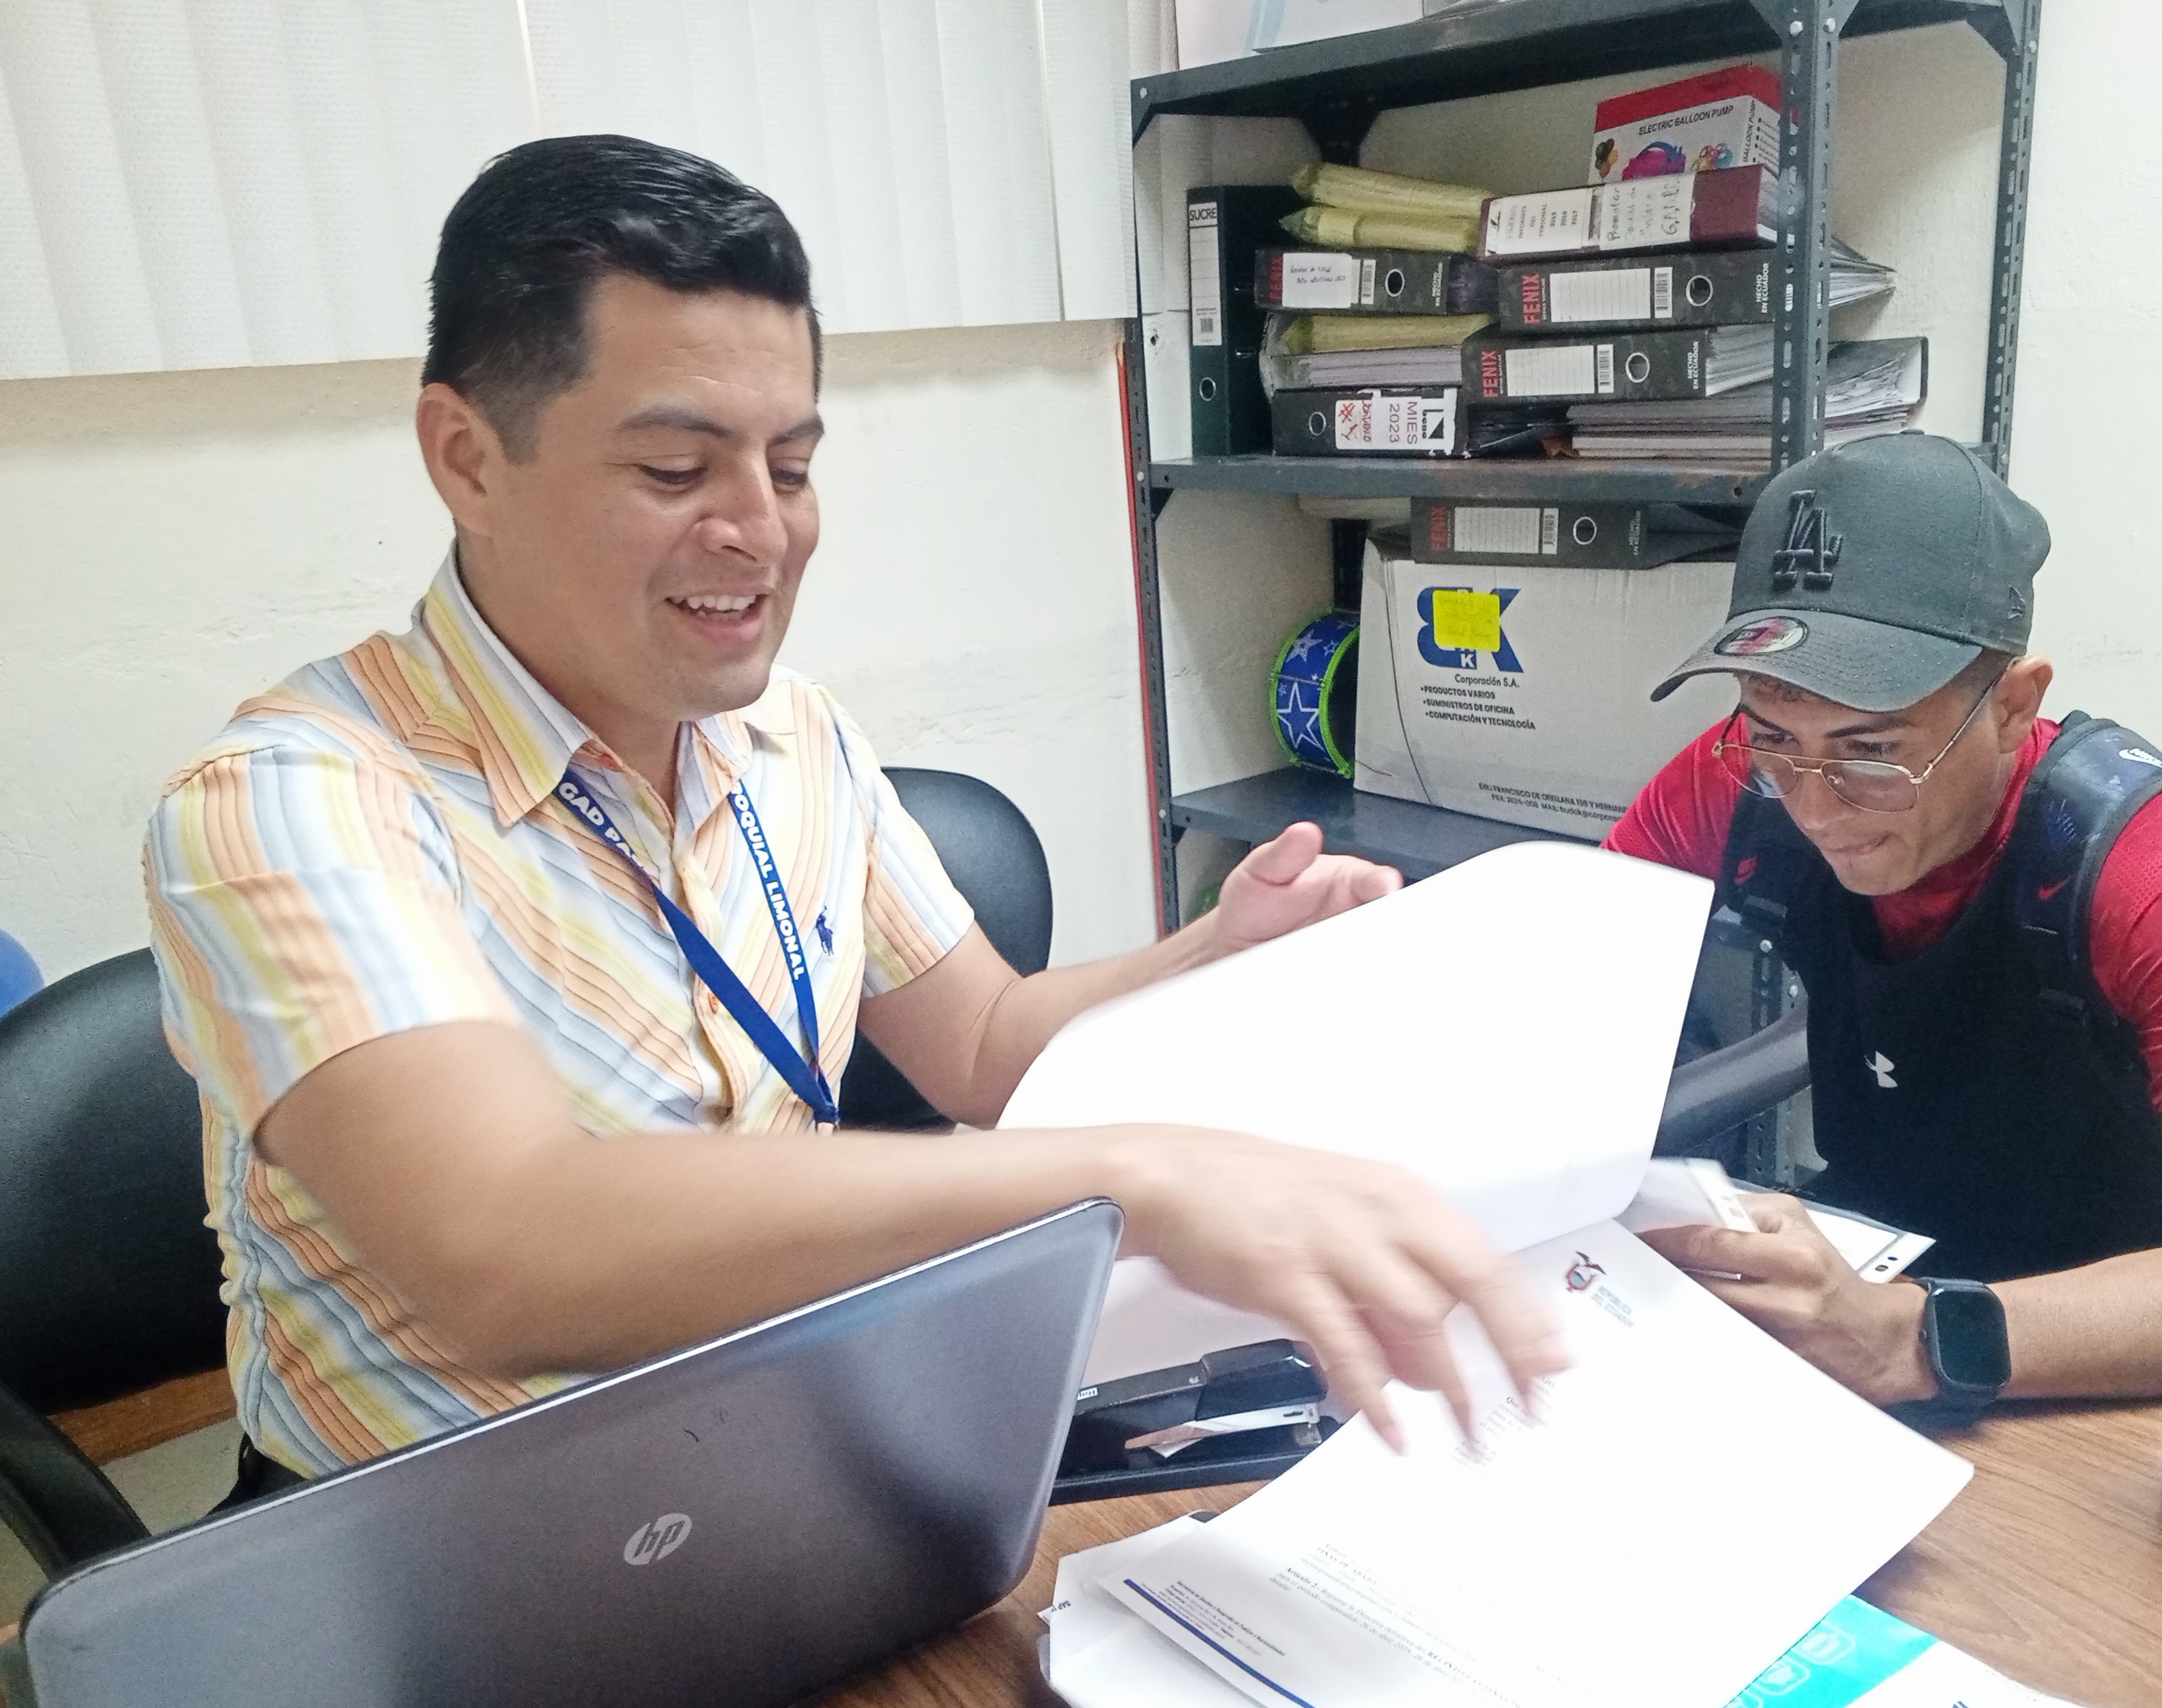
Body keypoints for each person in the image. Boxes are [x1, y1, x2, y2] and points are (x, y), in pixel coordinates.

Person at [144, 135, 1561, 1485]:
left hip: (796, 1453)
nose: (761, 530)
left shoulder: (793, 738)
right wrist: (1147, 1176)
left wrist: (1214, 955)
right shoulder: (294, 802)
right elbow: (507, 1247)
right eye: (674, 470)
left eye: (792, 465)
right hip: (444, 1547)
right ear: (466, 457)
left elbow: (987, 1050)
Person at [1608, 433, 2162, 1418]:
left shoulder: (2148, 869)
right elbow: (1556, 987)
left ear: (2010, 705)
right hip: (1877, 1279)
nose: (1815, 806)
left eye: (1873, 751)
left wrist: (1916, 1336)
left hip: (2107, 1364)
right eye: (1774, 736)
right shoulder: (1748, 783)